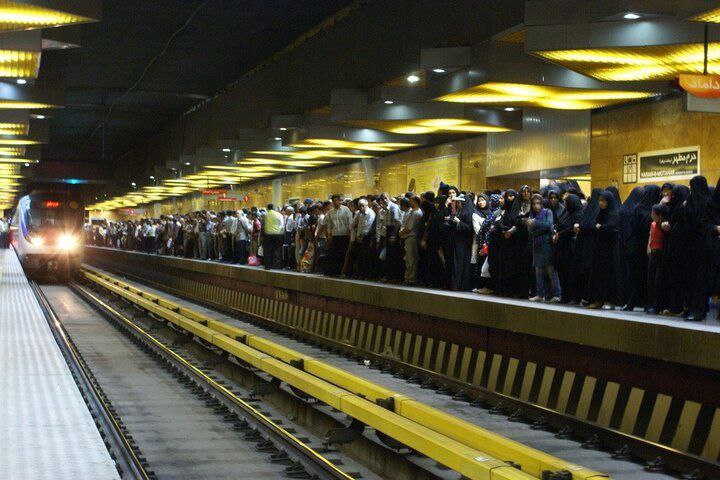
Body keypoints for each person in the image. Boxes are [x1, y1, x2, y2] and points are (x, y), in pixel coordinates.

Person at [588, 190, 619, 310]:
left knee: (608, 276)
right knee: (598, 275)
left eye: (604, 201)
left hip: (609, 251)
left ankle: (610, 301)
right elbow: (593, 225)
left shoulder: (613, 214)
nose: (601, 203)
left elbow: (612, 228)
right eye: (600, 200)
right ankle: (598, 300)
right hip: (599, 250)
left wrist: (601, 228)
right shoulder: (600, 214)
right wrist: (599, 228)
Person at [527, 193, 561, 302]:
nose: (536, 206)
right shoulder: (531, 215)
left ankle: (557, 294)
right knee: (538, 271)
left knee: (551, 271)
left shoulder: (547, 212)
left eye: (538, 203)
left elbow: (549, 225)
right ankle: (540, 294)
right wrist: (541, 228)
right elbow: (530, 232)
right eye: (534, 204)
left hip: (547, 244)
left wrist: (535, 223)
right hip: (537, 245)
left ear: (542, 204)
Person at [554, 193, 583, 303]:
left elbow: (572, 229)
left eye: (566, 202)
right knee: (562, 272)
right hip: (561, 247)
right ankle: (565, 295)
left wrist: (560, 234)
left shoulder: (578, 214)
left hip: (570, 248)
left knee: (570, 273)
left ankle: (574, 296)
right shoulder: (566, 212)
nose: (564, 204)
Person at [646, 204, 669, 315]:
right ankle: (651, 304)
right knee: (650, 280)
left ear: (660, 216)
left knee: (658, 281)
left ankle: (657, 306)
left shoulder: (664, 226)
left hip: (661, 254)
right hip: (653, 253)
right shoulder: (653, 224)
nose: (651, 215)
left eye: (653, 214)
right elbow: (651, 236)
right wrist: (648, 248)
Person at [324, 194, 352, 276]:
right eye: (333, 201)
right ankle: (335, 271)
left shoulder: (346, 210)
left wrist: (350, 233)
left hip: (344, 235)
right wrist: (329, 235)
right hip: (335, 235)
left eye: (336, 200)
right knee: (335, 254)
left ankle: (344, 271)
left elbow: (349, 222)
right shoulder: (331, 212)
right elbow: (329, 224)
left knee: (343, 253)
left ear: (340, 201)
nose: (335, 202)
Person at [399, 195, 423, 285]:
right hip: (411, 238)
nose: (409, 202)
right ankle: (409, 278)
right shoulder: (414, 212)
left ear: (416, 202)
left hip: (411, 238)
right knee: (410, 258)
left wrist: (401, 233)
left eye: (411, 201)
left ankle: (410, 278)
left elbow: (409, 228)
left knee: (410, 259)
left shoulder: (416, 213)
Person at [262, 204, 285, 269]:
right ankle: (277, 265)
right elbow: (282, 225)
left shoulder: (266, 215)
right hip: (278, 234)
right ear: (274, 208)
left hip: (268, 235)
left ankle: (268, 265)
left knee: (267, 251)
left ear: (267, 208)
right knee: (277, 250)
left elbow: (263, 225)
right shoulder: (279, 215)